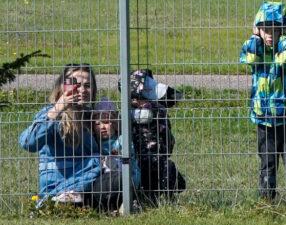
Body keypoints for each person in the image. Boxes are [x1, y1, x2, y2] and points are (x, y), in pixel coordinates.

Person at [18, 63, 120, 209]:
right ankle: (57, 203)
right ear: (62, 86)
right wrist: (58, 107)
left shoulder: (91, 117)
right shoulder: (51, 113)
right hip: (58, 187)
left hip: (89, 185)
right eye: (76, 85)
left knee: (122, 176)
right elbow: (28, 143)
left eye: (88, 85)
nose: (82, 90)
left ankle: (88, 206)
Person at [240, 1, 286, 209]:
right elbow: (248, 58)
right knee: (267, 163)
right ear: (258, 29)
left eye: (275, 30)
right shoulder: (254, 49)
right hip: (264, 118)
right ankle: (266, 202)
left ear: (283, 30)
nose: (270, 34)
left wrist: (283, 37)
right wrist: (254, 36)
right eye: (265, 29)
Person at [124, 69, 186, 205]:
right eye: (134, 99)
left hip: (151, 161)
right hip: (140, 161)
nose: (136, 102)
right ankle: (148, 197)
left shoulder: (154, 112)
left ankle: (165, 197)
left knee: (165, 170)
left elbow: (168, 141)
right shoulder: (157, 111)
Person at [93, 99, 142, 198]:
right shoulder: (94, 142)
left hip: (128, 179)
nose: (102, 127)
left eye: (106, 122)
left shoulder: (122, 140)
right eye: (98, 123)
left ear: (115, 124)